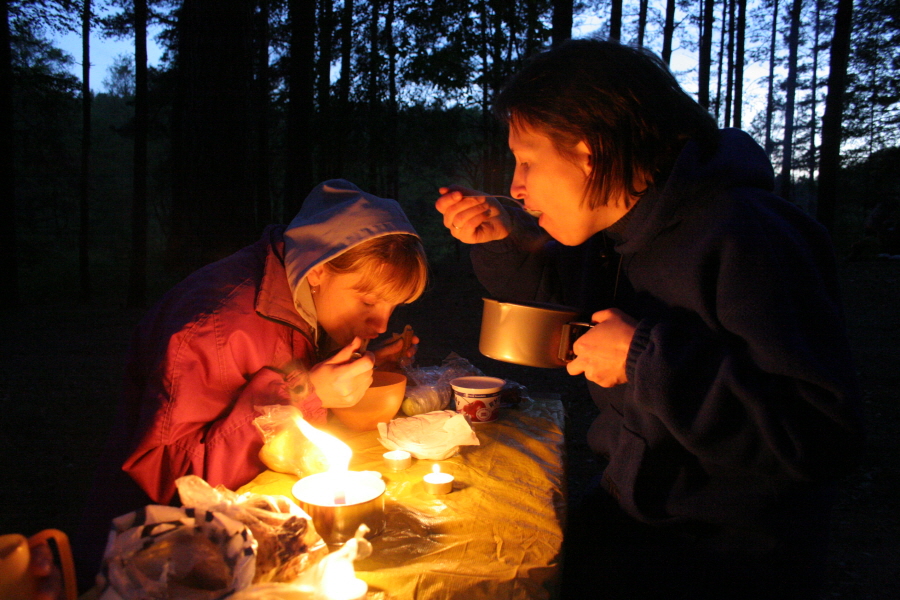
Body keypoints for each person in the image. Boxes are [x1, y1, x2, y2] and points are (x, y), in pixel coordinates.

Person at [436, 39, 863, 600]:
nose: (516, 186)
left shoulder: (749, 236)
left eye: (528, 161)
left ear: (590, 151)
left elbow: (821, 436)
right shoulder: (620, 236)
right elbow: (555, 293)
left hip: (724, 565)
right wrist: (501, 241)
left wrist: (644, 360)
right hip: (629, 519)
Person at [74, 179, 427, 590]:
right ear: (317, 272)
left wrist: (367, 359)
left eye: (393, 306)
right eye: (367, 302)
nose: (381, 323)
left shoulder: (292, 282)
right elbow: (175, 481)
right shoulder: (215, 327)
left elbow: (289, 348)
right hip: (149, 561)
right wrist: (307, 394)